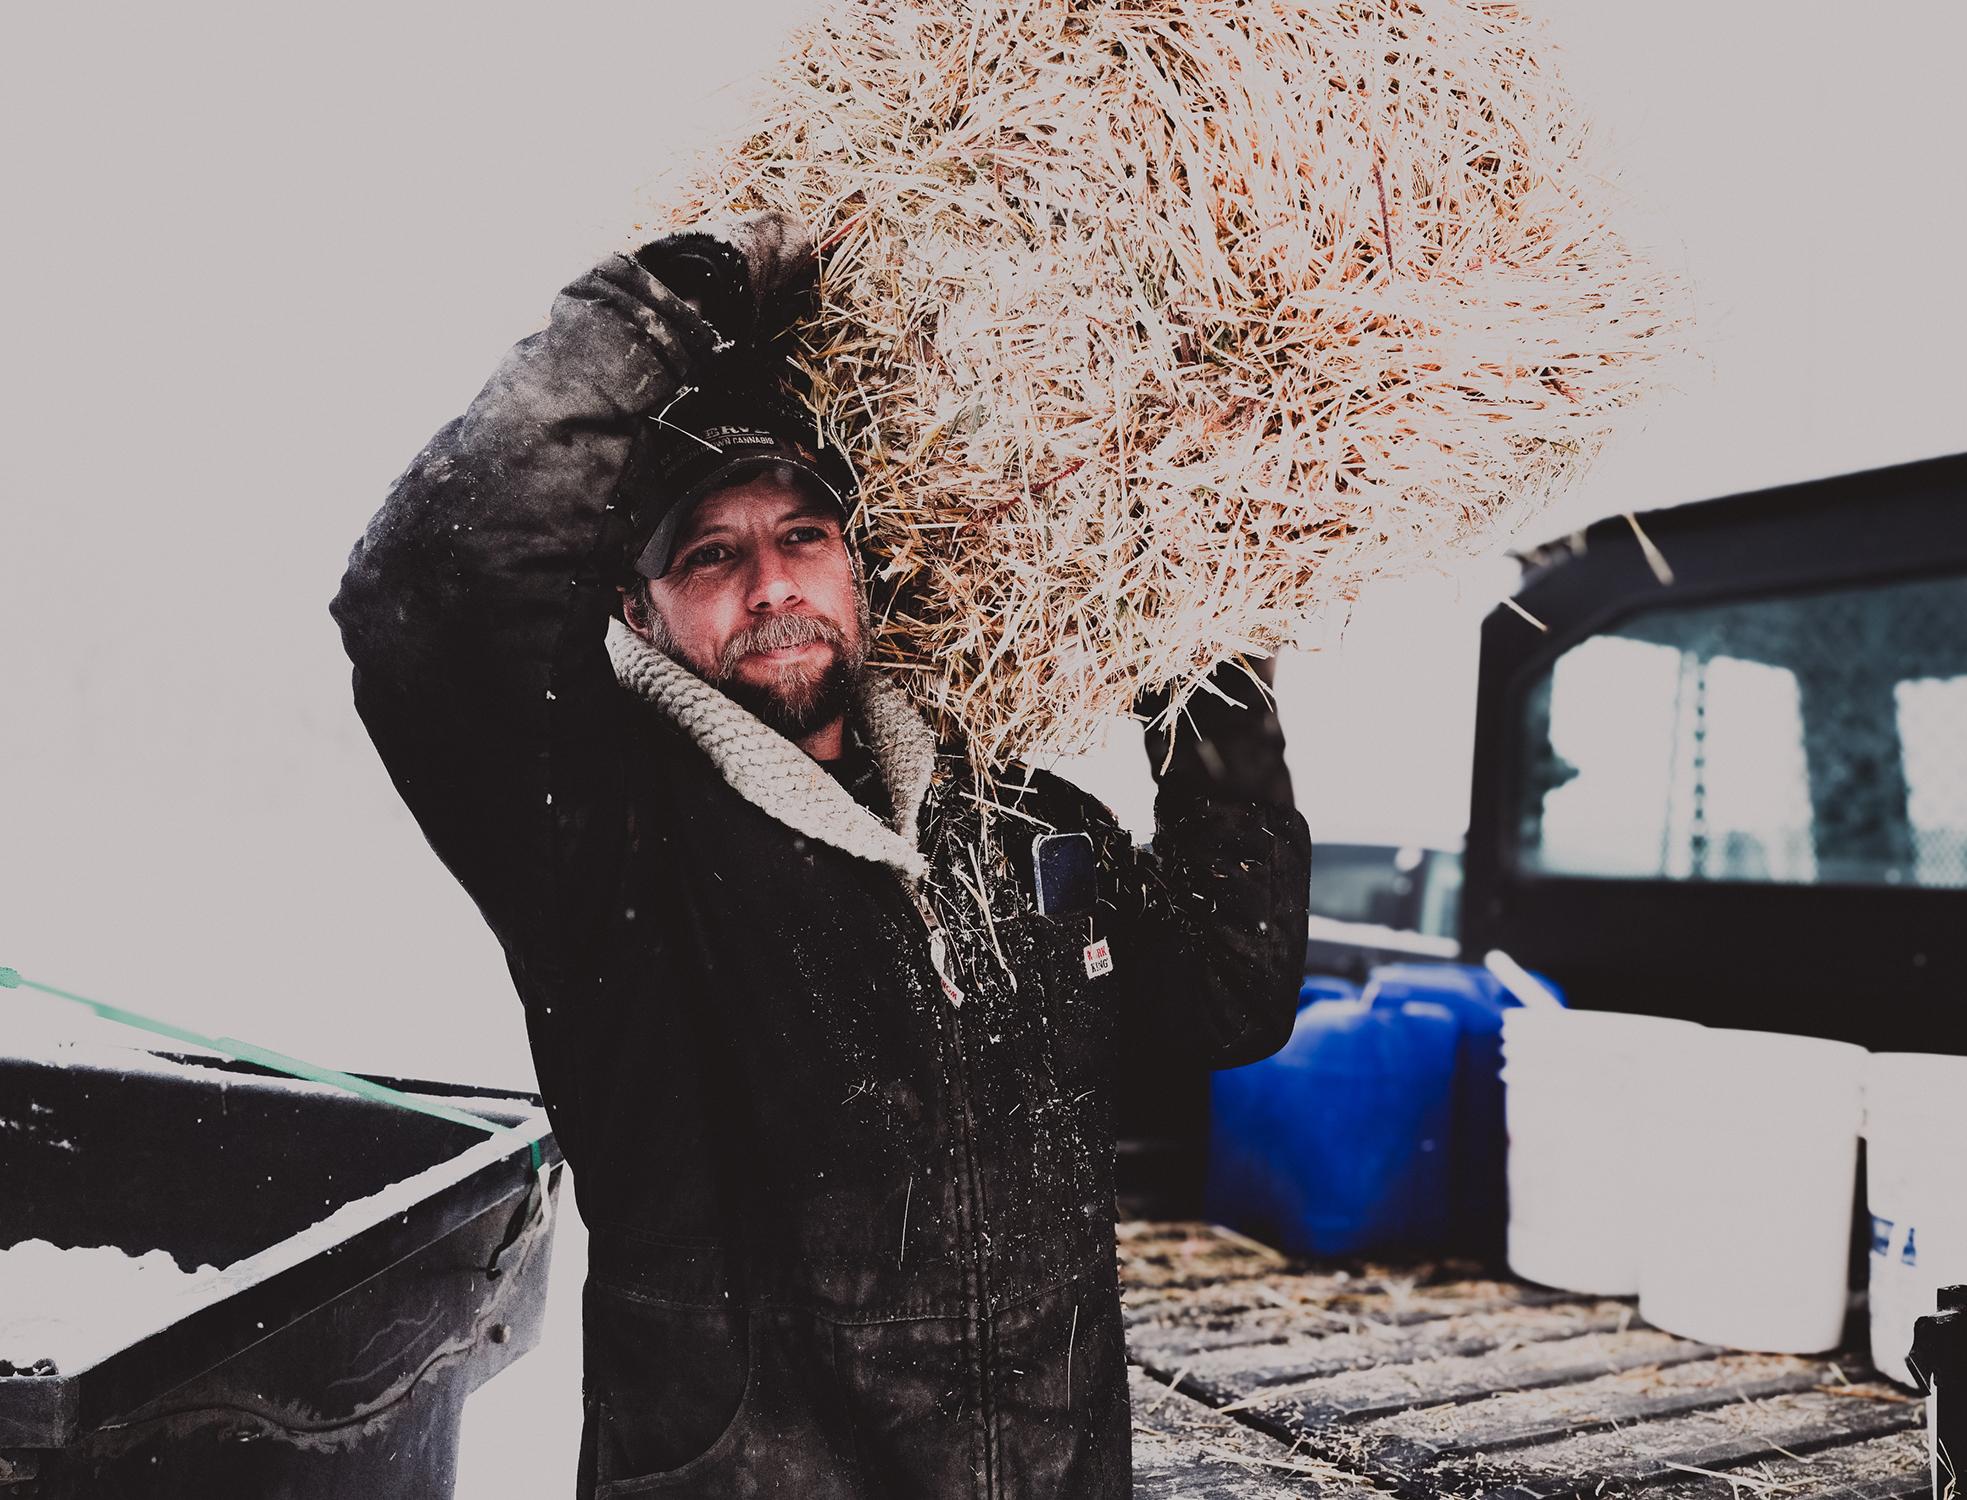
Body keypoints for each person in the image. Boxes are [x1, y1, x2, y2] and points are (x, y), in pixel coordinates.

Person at [332, 210, 1310, 1499]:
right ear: (641, 608)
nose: (771, 586)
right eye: (713, 556)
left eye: (803, 538)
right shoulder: (606, 848)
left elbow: (1230, 992)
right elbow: (421, 595)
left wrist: (1210, 664)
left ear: (857, 570)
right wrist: (668, 303)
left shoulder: (1021, 826)